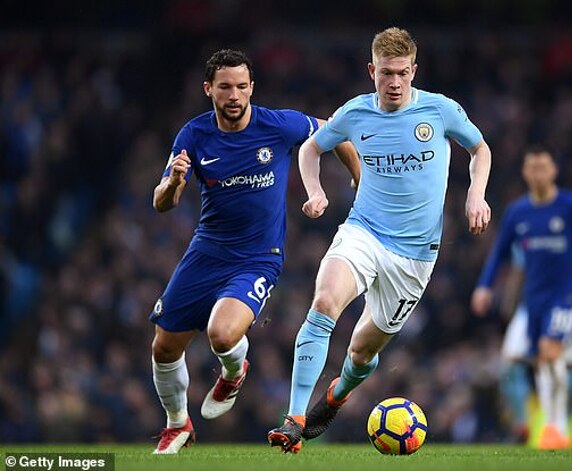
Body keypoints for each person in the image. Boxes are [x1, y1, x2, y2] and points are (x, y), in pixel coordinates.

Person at [266, 27, 492, 453]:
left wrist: (475, 195)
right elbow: (310, 149)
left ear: (414, 71)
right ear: (372, 71)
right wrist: (315, 191)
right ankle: (294, 418)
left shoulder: (440, 110)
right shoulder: (354, 113)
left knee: (361, 351)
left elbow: (480, 149)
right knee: (324, 302)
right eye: (387, 73)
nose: (395, 82)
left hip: (414, 257)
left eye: (402, 73)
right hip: (363, 231)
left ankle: (338, 394)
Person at [149, 49, 359, 454]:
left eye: (241, 86)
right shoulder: (193, 135)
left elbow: (335, 131)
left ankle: (234, 371)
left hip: (258, 257)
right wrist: (173, 182)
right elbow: (163, 203)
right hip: (206, 252)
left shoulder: (279, 125)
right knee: (163, 347)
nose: (234, 95)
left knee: (222, 334)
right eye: (225, 87)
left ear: (251, 88)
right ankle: (178, 424)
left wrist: (359, 178)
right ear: (208, 89)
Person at [471, 144, 572, 449]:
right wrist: (484, 286)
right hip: (532, 301)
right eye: (532, 168)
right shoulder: (518, 212)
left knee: (550, 352)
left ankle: (556, 427)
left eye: (543, 167)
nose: (538, 173)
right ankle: (538, 425)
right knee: (529, 360)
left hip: (565, 298)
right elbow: (499, 253)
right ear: (525, 172)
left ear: (554, 171)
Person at [495, 243, 572, 443]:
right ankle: (524, 425)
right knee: (510, 364)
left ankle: (560, 426)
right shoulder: (528, 233)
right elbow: (519, 271)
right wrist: (509, 303)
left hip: (562, 308)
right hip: (530, 308)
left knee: (562, 367)